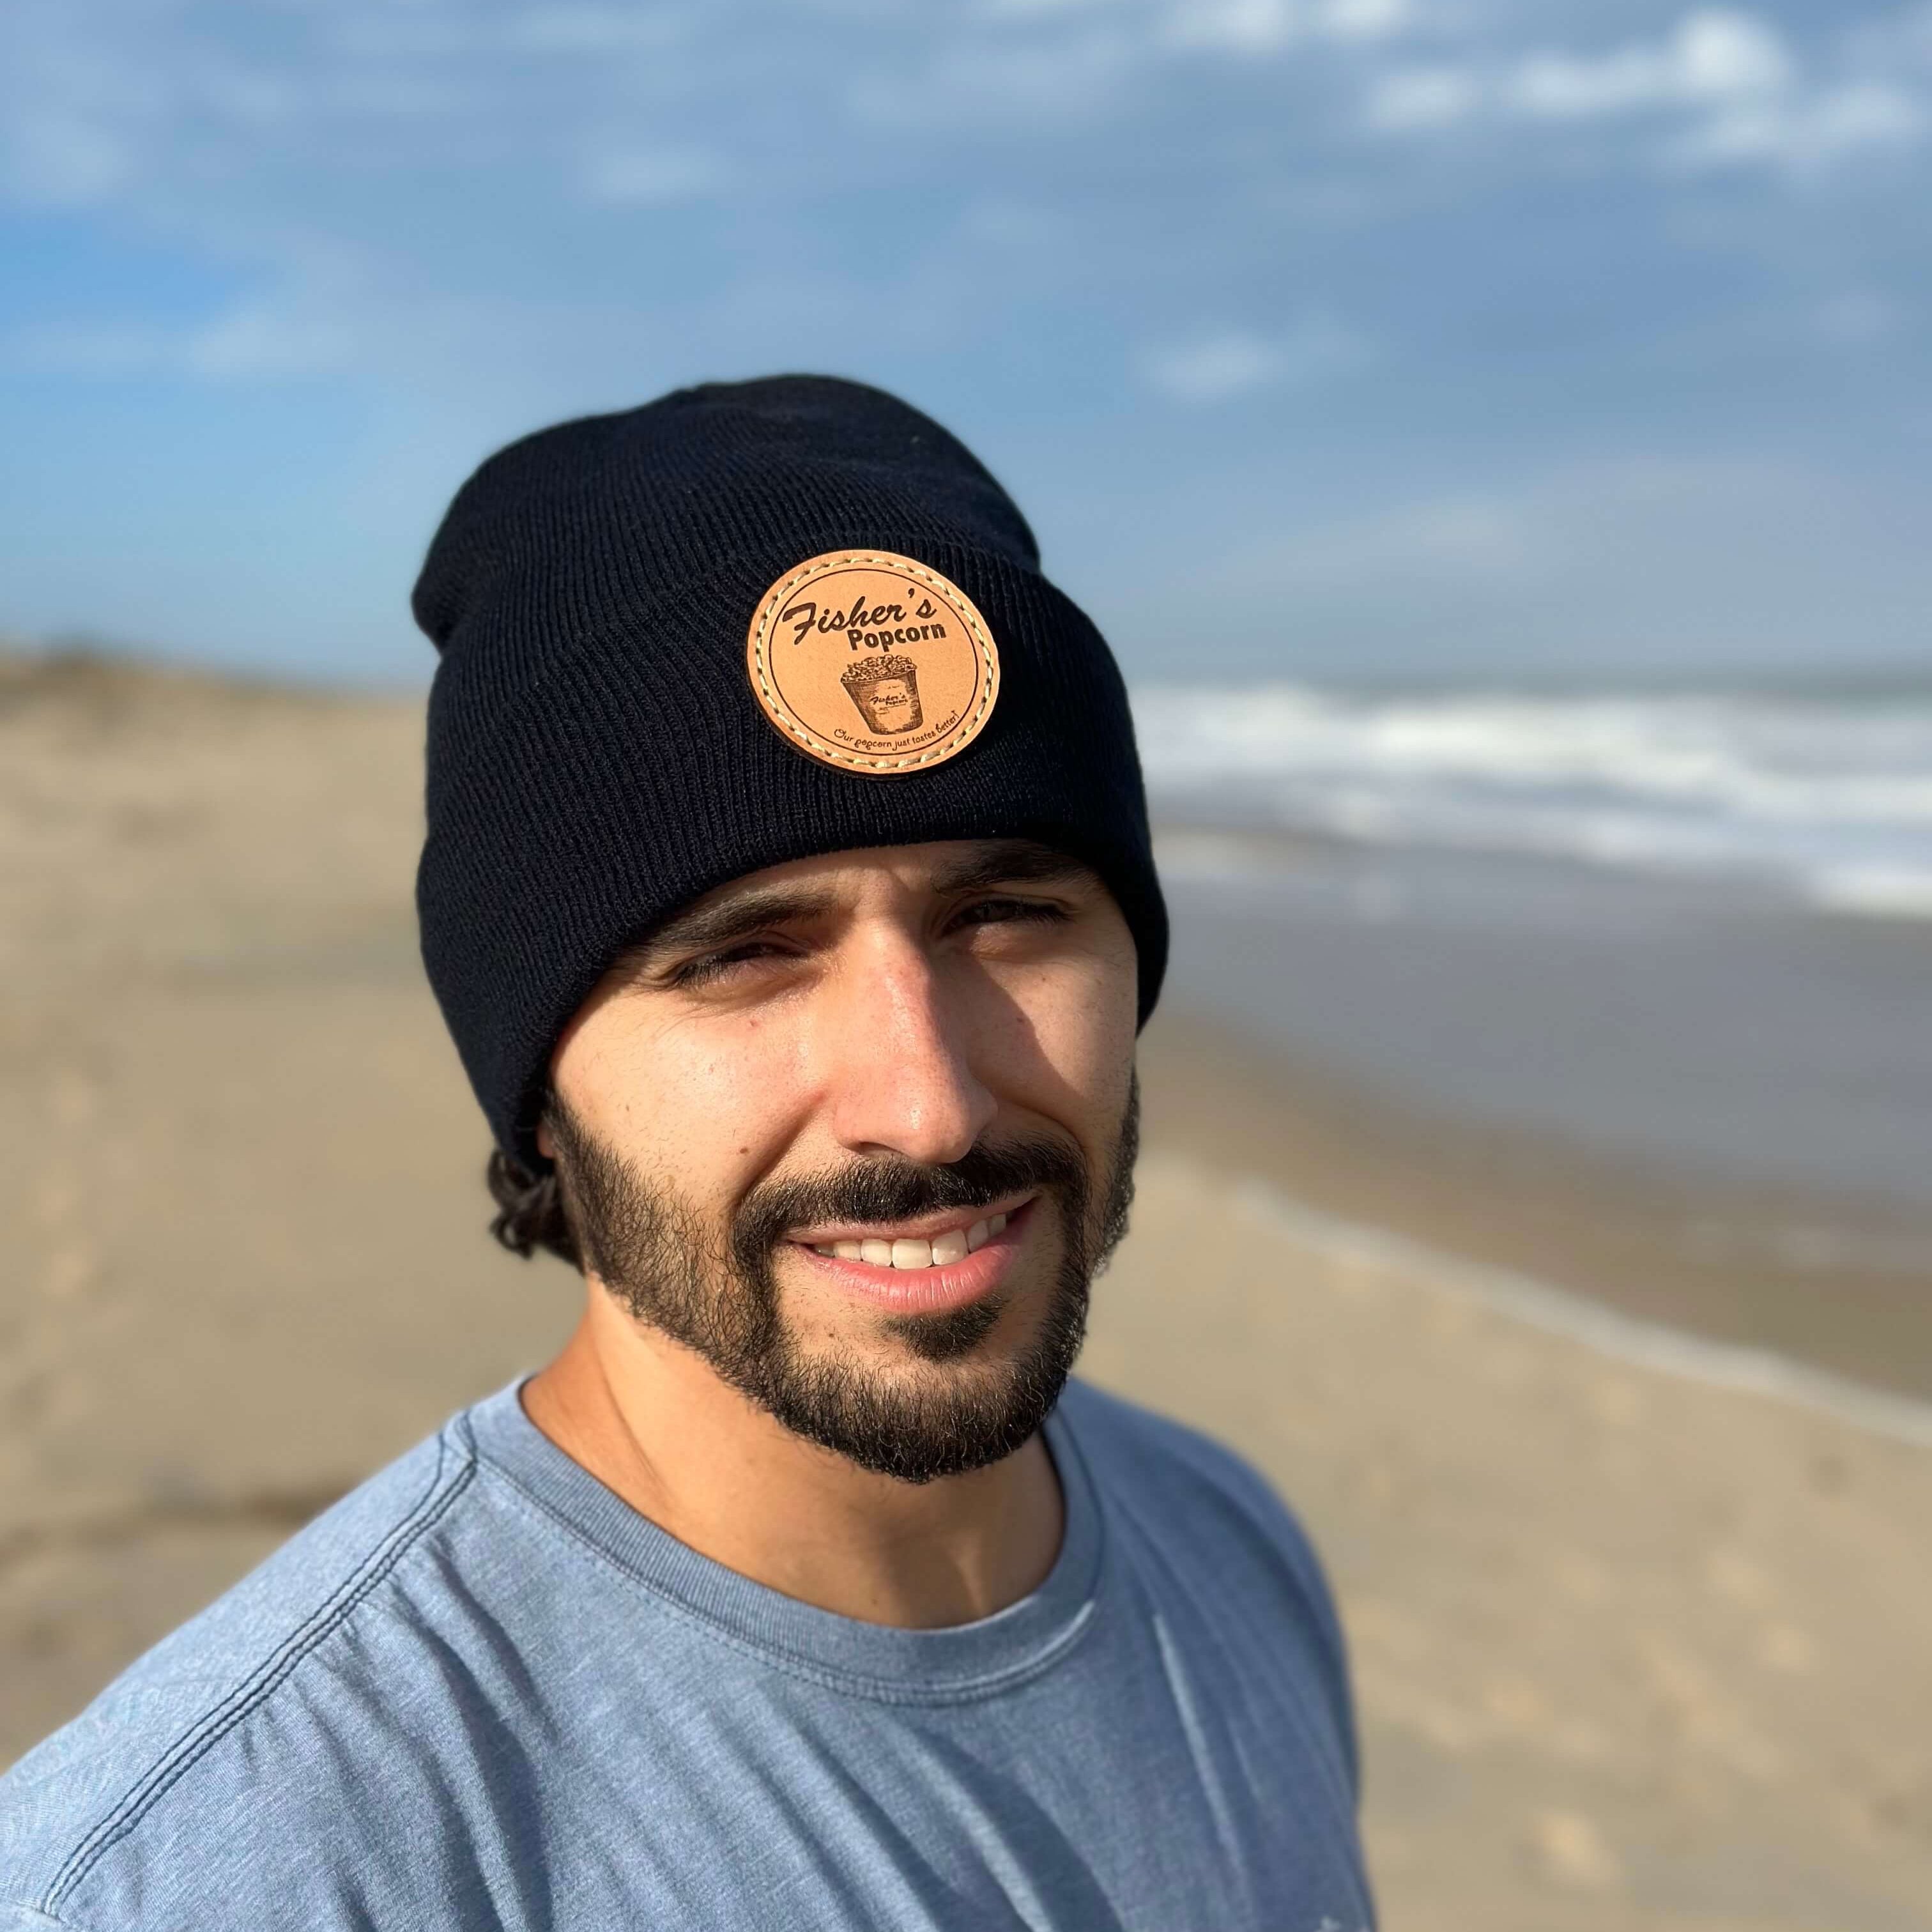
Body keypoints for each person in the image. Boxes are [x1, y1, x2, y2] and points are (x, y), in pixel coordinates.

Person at [0, 376, 1375, 1929]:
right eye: (745, 956)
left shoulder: (1229, 1547)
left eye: (1005, 914)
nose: (925, 1104)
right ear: (535, 1091)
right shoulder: (224, 1872)